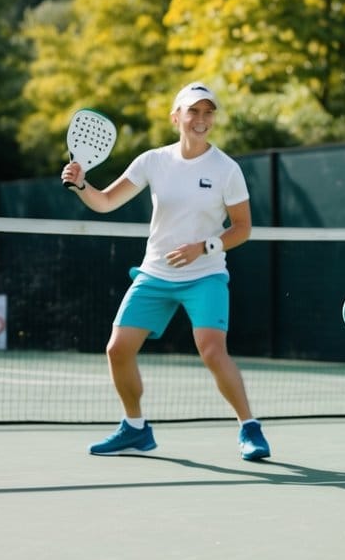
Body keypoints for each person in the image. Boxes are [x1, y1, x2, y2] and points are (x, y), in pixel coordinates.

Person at [60, 82, 271, 461]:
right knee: (117, 349)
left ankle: (249, 427)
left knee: (211, 350)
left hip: (205, 274)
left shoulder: (227, 169)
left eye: (208, 112)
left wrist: (202, 248)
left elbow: (242, 228)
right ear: (177, 117)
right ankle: (135, 428)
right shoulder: (152, 161)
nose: (201, 119)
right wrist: (81, 186)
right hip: (155, 273)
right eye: (193, 111)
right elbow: (106, 201)